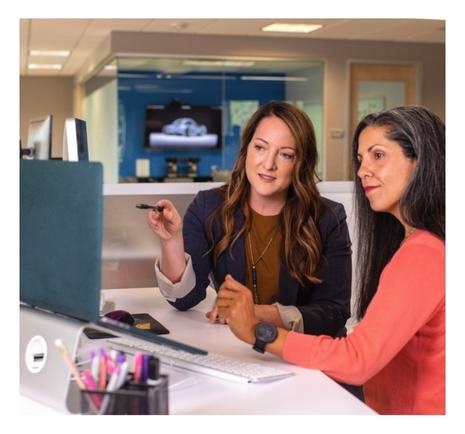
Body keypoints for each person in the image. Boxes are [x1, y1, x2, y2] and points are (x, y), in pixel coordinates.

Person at [216, 105, 445, 415]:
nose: (362, 171)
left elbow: (357, 360)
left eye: (378, 155)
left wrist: (258, 332)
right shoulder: (419, 244)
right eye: (361, 159)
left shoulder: (425, 253)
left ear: (421, 162)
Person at [148, 101, 360, 395]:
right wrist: (171, 241)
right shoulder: (209, 207)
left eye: (285, 155)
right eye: (260, 147)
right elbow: (184, 299)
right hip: (242, 361)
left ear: (301, 162)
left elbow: (334, 313)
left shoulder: (328, 217)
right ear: (246, 149)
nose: (268, 164)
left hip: (310, 365)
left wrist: (255, 315)